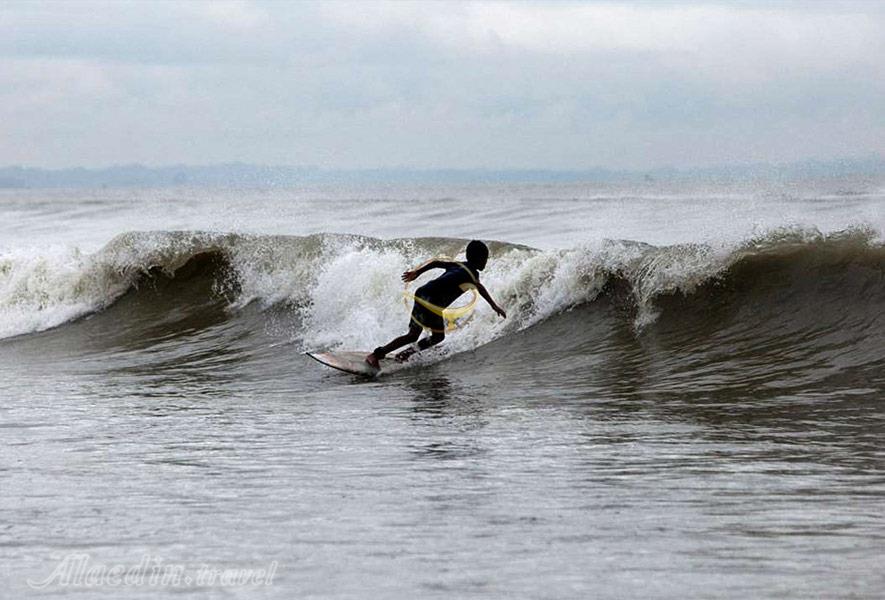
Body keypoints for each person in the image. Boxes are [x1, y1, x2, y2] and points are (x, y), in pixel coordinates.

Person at [366, 240, 506, 368]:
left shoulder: (459, 265)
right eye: (485, 258)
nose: (486, 262)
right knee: (437, 337)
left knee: (413, 335)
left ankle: (385, 354)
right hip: (431, 301)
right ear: (479, 258)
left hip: (422, 293)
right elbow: (479, 287)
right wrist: (494, 306)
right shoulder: (472, 274)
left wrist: (417, 273)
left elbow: (437, 262)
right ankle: (391, 355)